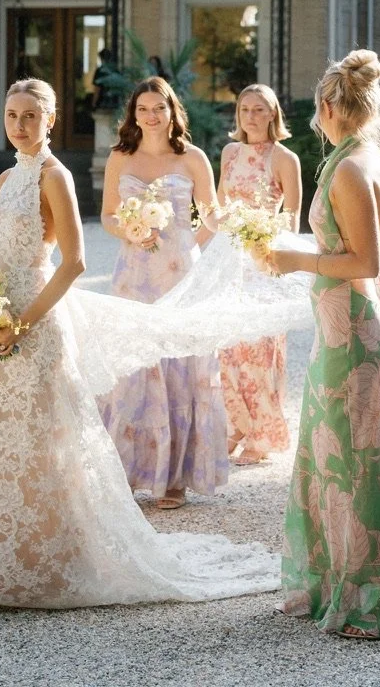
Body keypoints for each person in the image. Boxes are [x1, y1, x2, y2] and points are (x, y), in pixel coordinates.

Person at [0, 78, 279, 614]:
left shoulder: (54, 176)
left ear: (51, 120)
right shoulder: (9, 176)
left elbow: (74, 262)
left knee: (46, 444)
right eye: (12, 115)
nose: (19, 125)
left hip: (34, 325)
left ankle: (54, 562)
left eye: (31, 116)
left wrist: (23, 324)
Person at [269, 49, 380, 639]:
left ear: (330, 106)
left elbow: (364, 260)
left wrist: (294, 259)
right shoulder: (372, 160)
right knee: (334, 455)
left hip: (354, 331)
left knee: (356, 463)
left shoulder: (349, 168)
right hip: (343, 327)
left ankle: (370, 599)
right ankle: (334, 580)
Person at [98, 77, 228, 510]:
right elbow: (107, 217)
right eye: (143, 110)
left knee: (178, 367)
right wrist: (129, 228)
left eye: (159, 108)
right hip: (133, 276)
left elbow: (213, 216)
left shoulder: (191, 158)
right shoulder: (120, 157)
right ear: (133, 116)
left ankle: (174, 479)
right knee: (134, 366)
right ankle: (130, 470)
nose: (151, 116)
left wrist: (189, 247)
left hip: (178, 274)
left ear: (172, 111)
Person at [214, 84, 301, 465]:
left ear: (272, 114)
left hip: (264, 259)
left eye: (259, 109)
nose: (251, 116)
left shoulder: (285, 157)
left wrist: (265, 241)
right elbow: (217, 206)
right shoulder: (230, 153)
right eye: (245, 109)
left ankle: (262, 434)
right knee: (228, 346)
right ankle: (235, 424)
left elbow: (294, 217)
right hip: (230, 260)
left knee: (260, 348)